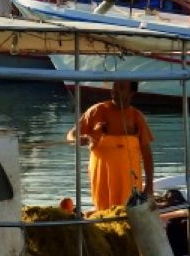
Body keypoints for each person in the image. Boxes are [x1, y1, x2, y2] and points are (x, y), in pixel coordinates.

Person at [66, 80, 153, 211]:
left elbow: (147, 156)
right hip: (102, 177)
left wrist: (149, 185)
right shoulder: (96, 111)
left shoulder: (137, 117)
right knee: (103, 212)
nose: (115, 90)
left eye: (121, 87)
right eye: (114, 87)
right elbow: (70, 136)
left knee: (129, 214)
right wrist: (78, 139)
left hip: (129, 180)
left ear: (132, 93)